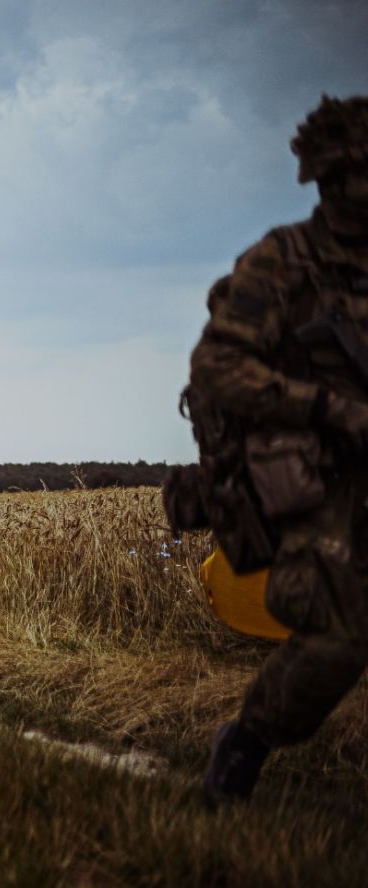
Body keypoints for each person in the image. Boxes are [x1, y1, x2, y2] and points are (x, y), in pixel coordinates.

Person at [185, 95, 368, 806]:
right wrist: (326, 408)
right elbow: (217, 366)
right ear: (337, 176)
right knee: (337, 637)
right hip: (311, 476)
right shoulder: (281, 261)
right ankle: (247, 740)